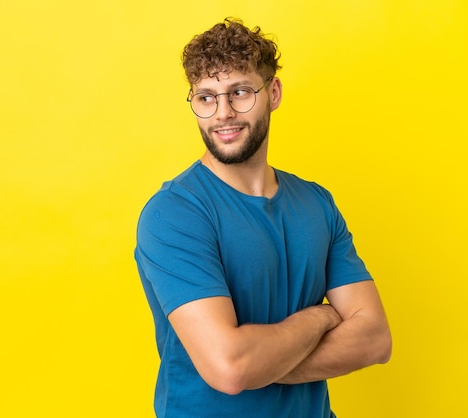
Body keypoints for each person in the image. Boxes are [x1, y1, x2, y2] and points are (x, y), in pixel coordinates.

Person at [134, 18, 392, 418]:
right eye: (206, 98)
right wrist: (321, 315)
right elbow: (231, 368)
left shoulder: (317, 203)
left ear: (273, 93)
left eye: (239, 92)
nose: (223, 113)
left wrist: (262, 363)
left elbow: (375, 339)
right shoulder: (174, 214)